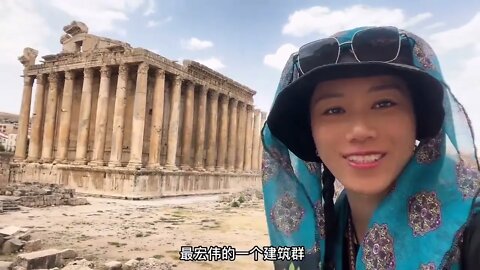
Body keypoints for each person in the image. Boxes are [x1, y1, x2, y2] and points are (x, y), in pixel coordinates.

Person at [262, 26, 480, 269]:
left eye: (384, 103)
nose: (360, 130)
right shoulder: (332, 231)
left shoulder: (472, 229)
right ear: (310, 132)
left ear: (417, 118)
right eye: (333, 110)